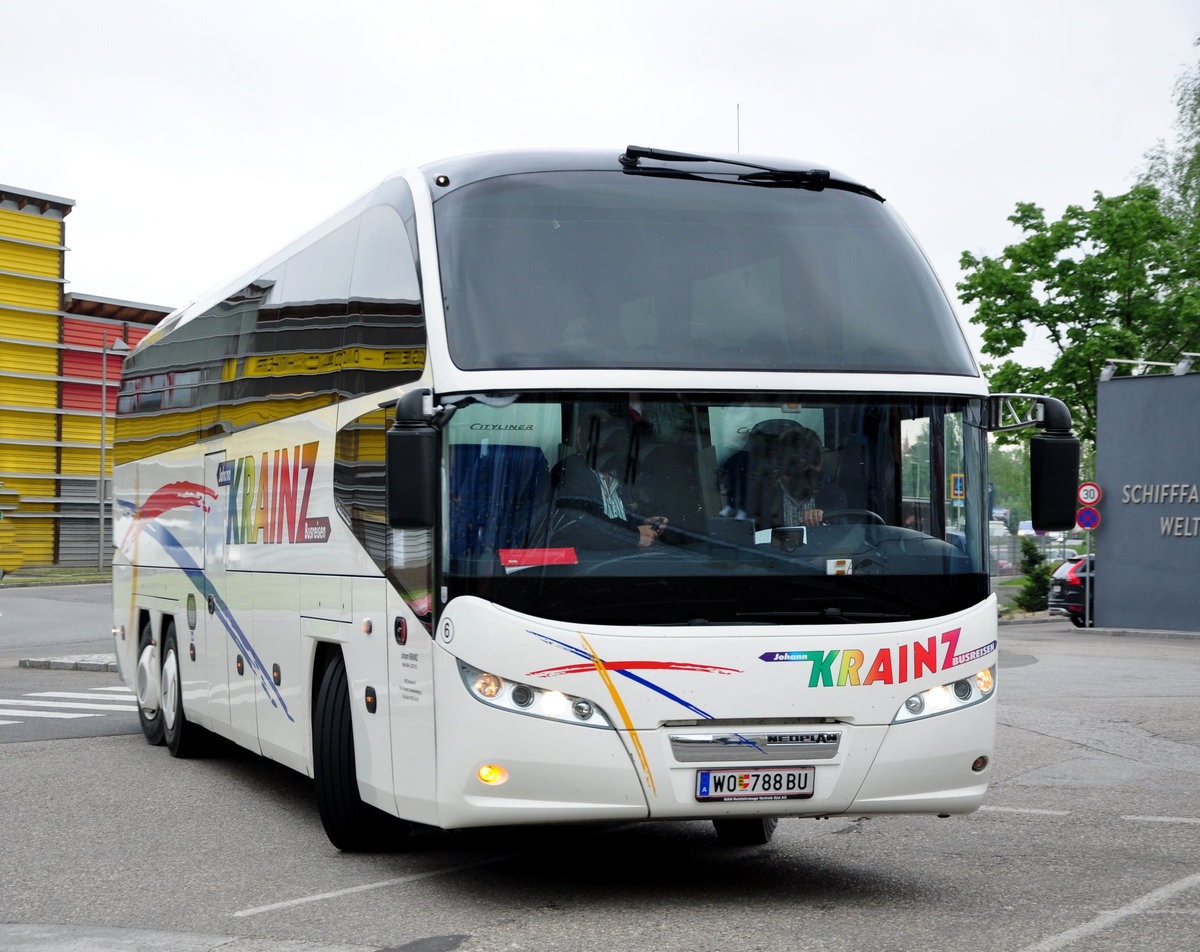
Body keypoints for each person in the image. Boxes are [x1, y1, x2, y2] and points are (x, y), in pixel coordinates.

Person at [545, 406, 668, 549]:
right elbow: (580, 525)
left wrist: (643, 523)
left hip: (623, 558)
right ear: (580, 436)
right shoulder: (572, 468)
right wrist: (633, 535)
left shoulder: (618, 475)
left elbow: (617, 519)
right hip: (589, 563)